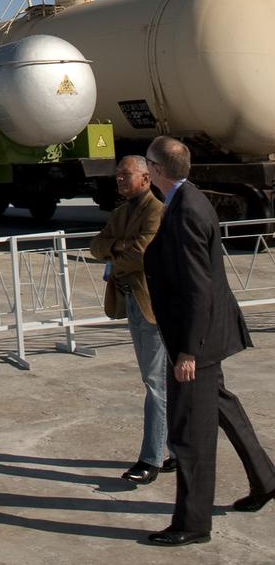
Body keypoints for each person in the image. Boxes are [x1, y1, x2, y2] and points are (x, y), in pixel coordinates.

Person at [143, 135, 275, 547]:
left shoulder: (186, 211)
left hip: (197, 340)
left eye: (148, 163)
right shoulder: (187, 198)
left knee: (191, 434)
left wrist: (189, 352)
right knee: (221, 406)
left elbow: (199, 288)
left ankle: (193, 523)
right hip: (207, 334)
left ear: (158, 171)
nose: (145, 170)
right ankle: (266, 479)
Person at [90, 155, 174, 484]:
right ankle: (177, 450)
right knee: (157, 381)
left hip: (153, 305)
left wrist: (118, 249)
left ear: (146, 178)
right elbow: (97, 247)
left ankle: (151, 459)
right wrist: (120, 249)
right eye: (118, 176)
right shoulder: (121, 213)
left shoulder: (157, 210)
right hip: (132, 302)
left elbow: (142, 252)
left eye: (126, 175)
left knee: (156, 383)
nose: (120, 181)